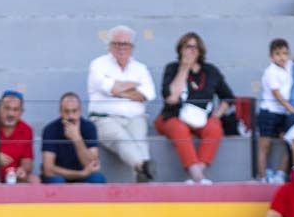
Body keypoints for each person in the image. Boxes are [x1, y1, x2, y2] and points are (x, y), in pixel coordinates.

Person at [154, 32, 234, 185]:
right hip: (173, 116)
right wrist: (184, 68)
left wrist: (216, 115)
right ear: (181, 49)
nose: (191, 51)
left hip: (201, 118)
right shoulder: (172, 68)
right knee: (179, 129)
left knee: (215, 128)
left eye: (195, 47)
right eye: (188, 47)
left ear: (200, 50)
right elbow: (171, 98)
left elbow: (228, 97)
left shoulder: (210, 71)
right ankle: (197, 176)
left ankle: (198, 173)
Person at [87, 25, 157, 182]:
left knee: (141, 144)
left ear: (132, 47)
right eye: (117, 44)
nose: (121, 48)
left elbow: (149, 93)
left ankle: (143, 177)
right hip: (105, 118)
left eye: (125, 44)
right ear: (110, 46)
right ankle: (142, 166)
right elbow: (109, 88)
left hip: (135, 118)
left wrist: (119, 91)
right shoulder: (98, 64)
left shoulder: (140, 68)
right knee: (122, 138)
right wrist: (133, 87)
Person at [258, 38, 294, 183]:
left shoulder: (289, 66)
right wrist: (292, 109)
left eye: (285, 53)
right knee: (265, 146)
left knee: (288, 143)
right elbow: (277, 95)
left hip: (283, 114)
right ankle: (263, 175)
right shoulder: (270, 72)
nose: (282, 57)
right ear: (271, 56)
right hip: (269, 112)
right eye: (278, 54)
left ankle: (280, 173)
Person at [40, 92, 106, 183]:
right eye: (66, 111)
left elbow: (91, 164)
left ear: (80, 111)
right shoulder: (50, 129)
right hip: (60, 175)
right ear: (60, 112)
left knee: (97, 179)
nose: (70, 116)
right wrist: (80, 174)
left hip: (84, 175)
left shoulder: (89, 127)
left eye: (74, 111)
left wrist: (77, 138)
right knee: (56, 181)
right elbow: (48, 169)